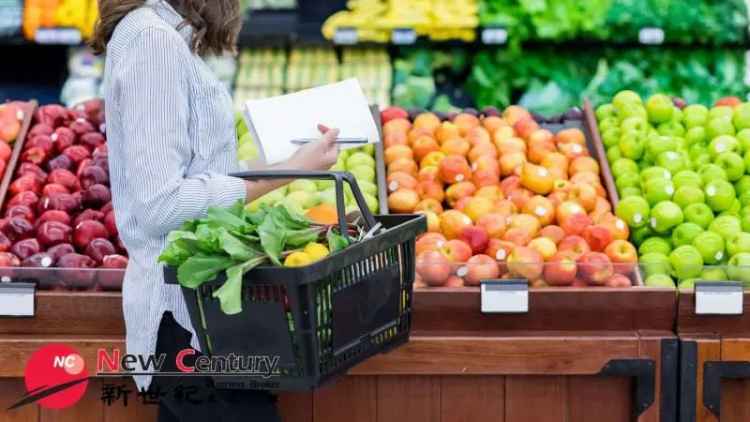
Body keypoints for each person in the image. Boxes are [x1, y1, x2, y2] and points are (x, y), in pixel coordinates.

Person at [91, 1, 339, 420]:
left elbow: (193, 173)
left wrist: (286, 162)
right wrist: (285, 174)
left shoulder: (161, 36)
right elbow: (161, 204)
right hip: (186, 322)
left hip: (205, 316)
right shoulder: (152, 41)